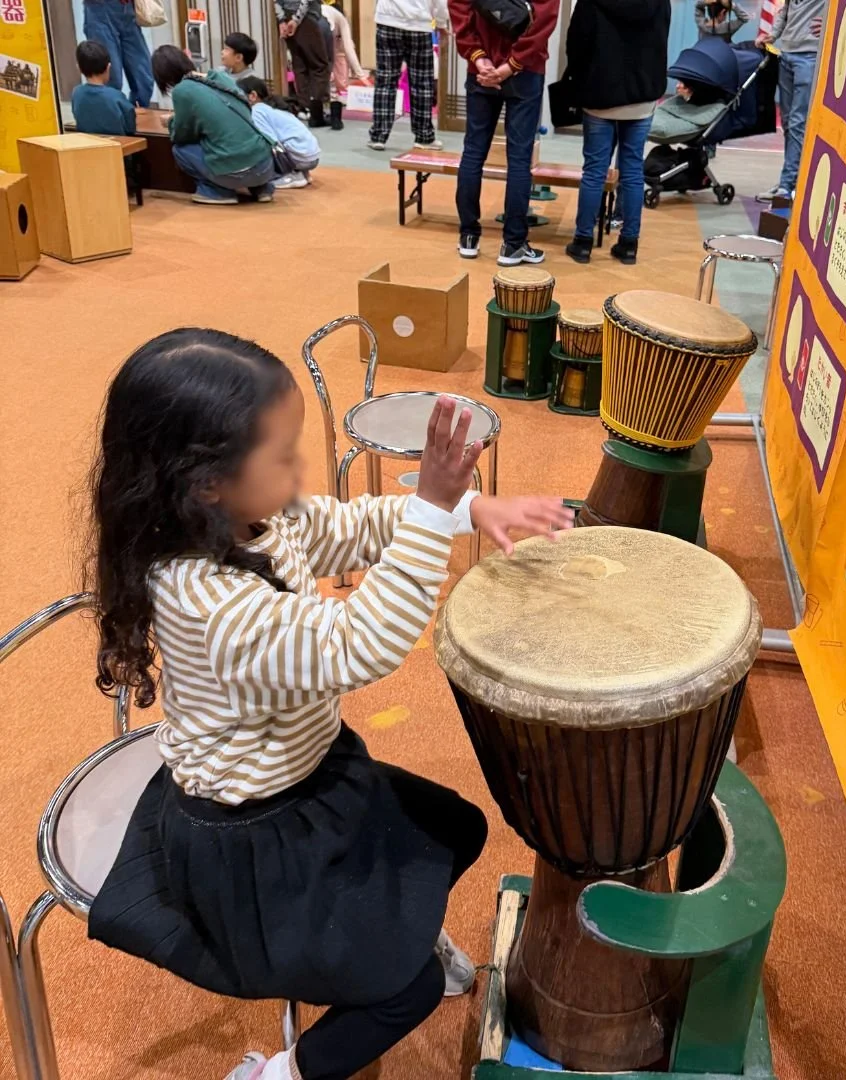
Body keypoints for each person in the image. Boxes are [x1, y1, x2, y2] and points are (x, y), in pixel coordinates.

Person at [84, 328, 575, 1080]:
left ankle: (392, 938)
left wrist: (465, 508)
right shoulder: (207, 605)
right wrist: (432, 507)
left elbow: (346, 528)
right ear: (205, 481)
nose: (299, 472)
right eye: (283, 456)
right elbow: (356, 643)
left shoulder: (250, 518)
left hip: (311, 774)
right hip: (252, 837)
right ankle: (284, 1073)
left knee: (451, 829)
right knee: (407, 993)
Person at [449, 0, 558, 265]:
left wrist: (479, 58)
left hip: (481, 69)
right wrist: (512, 65)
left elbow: (458, 8)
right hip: (527, 70)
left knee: (473, 153)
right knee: (519, 160)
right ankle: (513, 244)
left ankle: (468, 236)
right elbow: (545, 19)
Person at [563, 0, 670, 267]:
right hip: (642, 95)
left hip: (599, 93)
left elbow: (577, 42)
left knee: (594, 171)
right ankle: (629, 244)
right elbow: (661, 40)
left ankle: (583, 242)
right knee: (632, 170)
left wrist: (578, 79)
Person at [152, 46, 276, 206]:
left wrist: (170, 122)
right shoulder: (221, 77)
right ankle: (262, 188)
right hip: (265, 164)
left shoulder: (182, 90)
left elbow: (182, 134)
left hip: (234, 172)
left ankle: (218, 192)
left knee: (180, 150)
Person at [756, 0, 824, 202]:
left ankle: (786, 186)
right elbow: (786, 9)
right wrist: (773, 34)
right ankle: (791, 180)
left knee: (797, 122)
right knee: (788, 123)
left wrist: (833, 24)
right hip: (786, 54)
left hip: (810, 56)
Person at [368, 0, 446, 151]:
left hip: (388, 20)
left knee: (385, 80)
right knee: (422, 84)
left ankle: (378, 136)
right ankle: (424, 137)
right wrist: (441, 22)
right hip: (419, 24)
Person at [239, 75, 321, 188]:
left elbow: (270, 141)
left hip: (300, 157)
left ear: (253, 96)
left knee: (260, 149)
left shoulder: (257, 111)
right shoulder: (273, 106)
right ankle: (300, 172)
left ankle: (286, 176)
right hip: (311, 156)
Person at [82, 0, 154, 107]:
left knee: (144, 80)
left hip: (127, 8)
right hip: (99, 9)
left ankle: (131, 114)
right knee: (111, 79)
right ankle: (112, 115)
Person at [276, 0, 333, 128]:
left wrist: (281, 20)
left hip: (286, 15)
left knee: (300, 65)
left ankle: (304, 107)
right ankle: (317, 110)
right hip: (305, 16)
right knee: (319, 65)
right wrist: (296, 20)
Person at [72, 39, 136, 136]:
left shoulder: (76, 93)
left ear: (79, 68)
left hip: (87, 143)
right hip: (117, 144)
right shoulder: (117, 96)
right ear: (108, 67)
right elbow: (130, 127)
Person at [322, 1, 364, 131]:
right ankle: (334, 118)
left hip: (332, 54)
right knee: (335, 85)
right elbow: (349, 48)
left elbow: (348, 48)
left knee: (333, 83)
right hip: (330, 54)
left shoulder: (325, 15)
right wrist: (361, 75)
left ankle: (318, 116)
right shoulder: (339, 19)